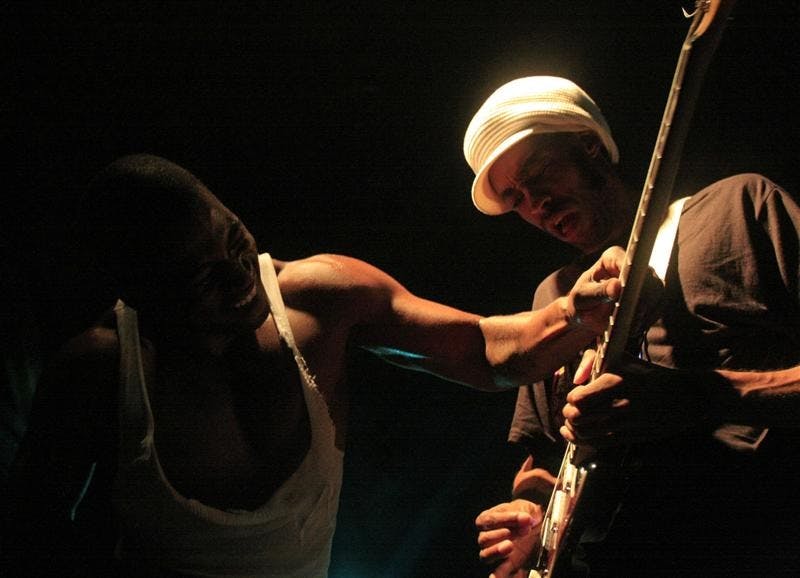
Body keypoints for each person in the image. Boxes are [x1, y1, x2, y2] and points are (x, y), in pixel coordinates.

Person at [1, 153, 626, 578]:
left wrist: (575, 310)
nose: (240, 277)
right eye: (203, 277)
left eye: (237, 240)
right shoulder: (99, 370)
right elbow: (31, 536)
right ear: (140, 293)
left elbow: (486, 351)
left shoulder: (322, 297)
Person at [464, 76, 800, 577]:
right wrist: (530, 515)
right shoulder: (551, 299)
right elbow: (542, 459)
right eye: (515, 197)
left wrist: (704, 396)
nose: (535, 202)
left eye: (538, 171)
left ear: (590, 147)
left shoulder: (738, 208)